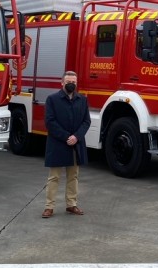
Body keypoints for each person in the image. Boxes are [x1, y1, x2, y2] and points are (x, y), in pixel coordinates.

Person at [42, 71, 91, 218]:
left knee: (73, 176)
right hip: (58, 143)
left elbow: (86, 121)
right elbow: (50, 122)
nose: (71, 84)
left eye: (74, 82)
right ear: (62, 83)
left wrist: (76, 137)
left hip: (75, 144)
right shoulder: (52, 99)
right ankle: (49, 207)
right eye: (69, 81)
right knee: (54, 177)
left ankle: (71, 204)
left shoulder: (82, 100)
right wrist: (66, 137)